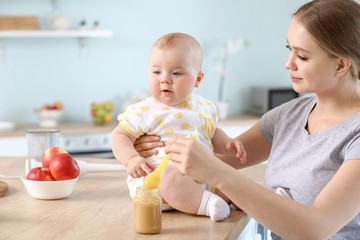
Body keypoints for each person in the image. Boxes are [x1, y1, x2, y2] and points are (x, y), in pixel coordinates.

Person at [132, 0, 360, 239]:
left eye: (302, 56)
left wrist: (218, 173)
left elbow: (316, 228)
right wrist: (155, 147)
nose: (288, 63)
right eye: (289, 48)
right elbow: (210, 160)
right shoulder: (288, 116)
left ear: (341, 65)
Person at [111, 32, 246, 221]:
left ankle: (250, 201)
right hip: (158, 185)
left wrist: (228, 144)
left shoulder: (205, 107)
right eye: (156, 72)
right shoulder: (144, 110)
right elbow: (119, 136)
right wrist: (131, 159)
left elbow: (213, 133)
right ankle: (207, 205)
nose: (164, 79)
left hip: (202, 179)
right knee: (171, 177)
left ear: (198, 79)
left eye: (176, 73)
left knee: (230, 178)